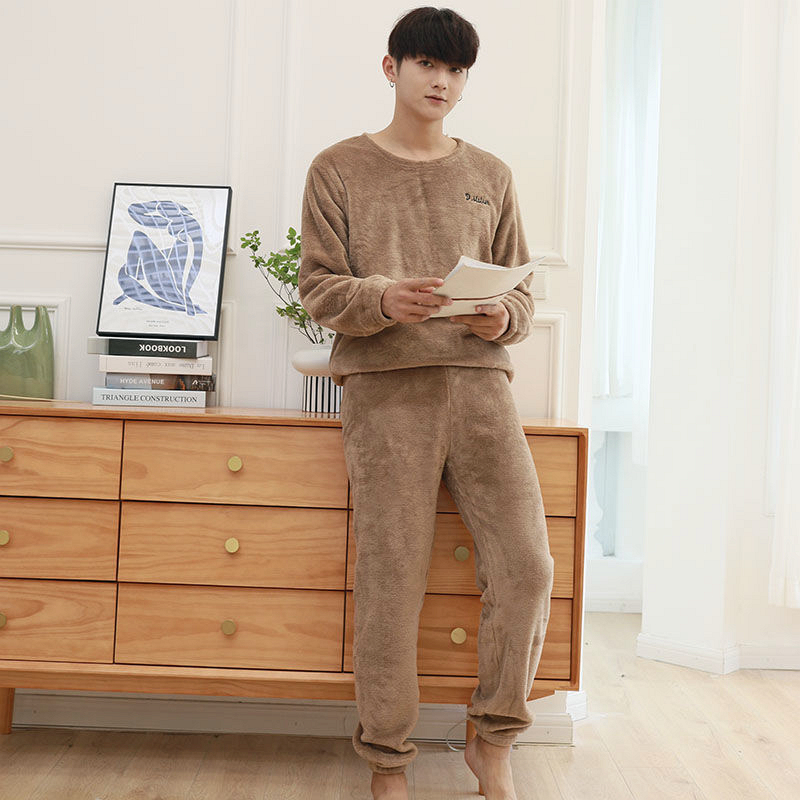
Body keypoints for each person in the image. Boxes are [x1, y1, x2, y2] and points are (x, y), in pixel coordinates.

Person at [298, 7, 554, 799]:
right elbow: (317, 287)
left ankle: (493, 740)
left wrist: (501, 316)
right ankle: (389, 762)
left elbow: (523, 293)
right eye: (426, 65)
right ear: (392, 68)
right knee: (391, 582)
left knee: (528, 568)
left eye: (456, 70)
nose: (442, 81)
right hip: (388, 396)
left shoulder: (491, 175)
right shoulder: (337, 168)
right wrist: (382, 299)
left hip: (481, 390)